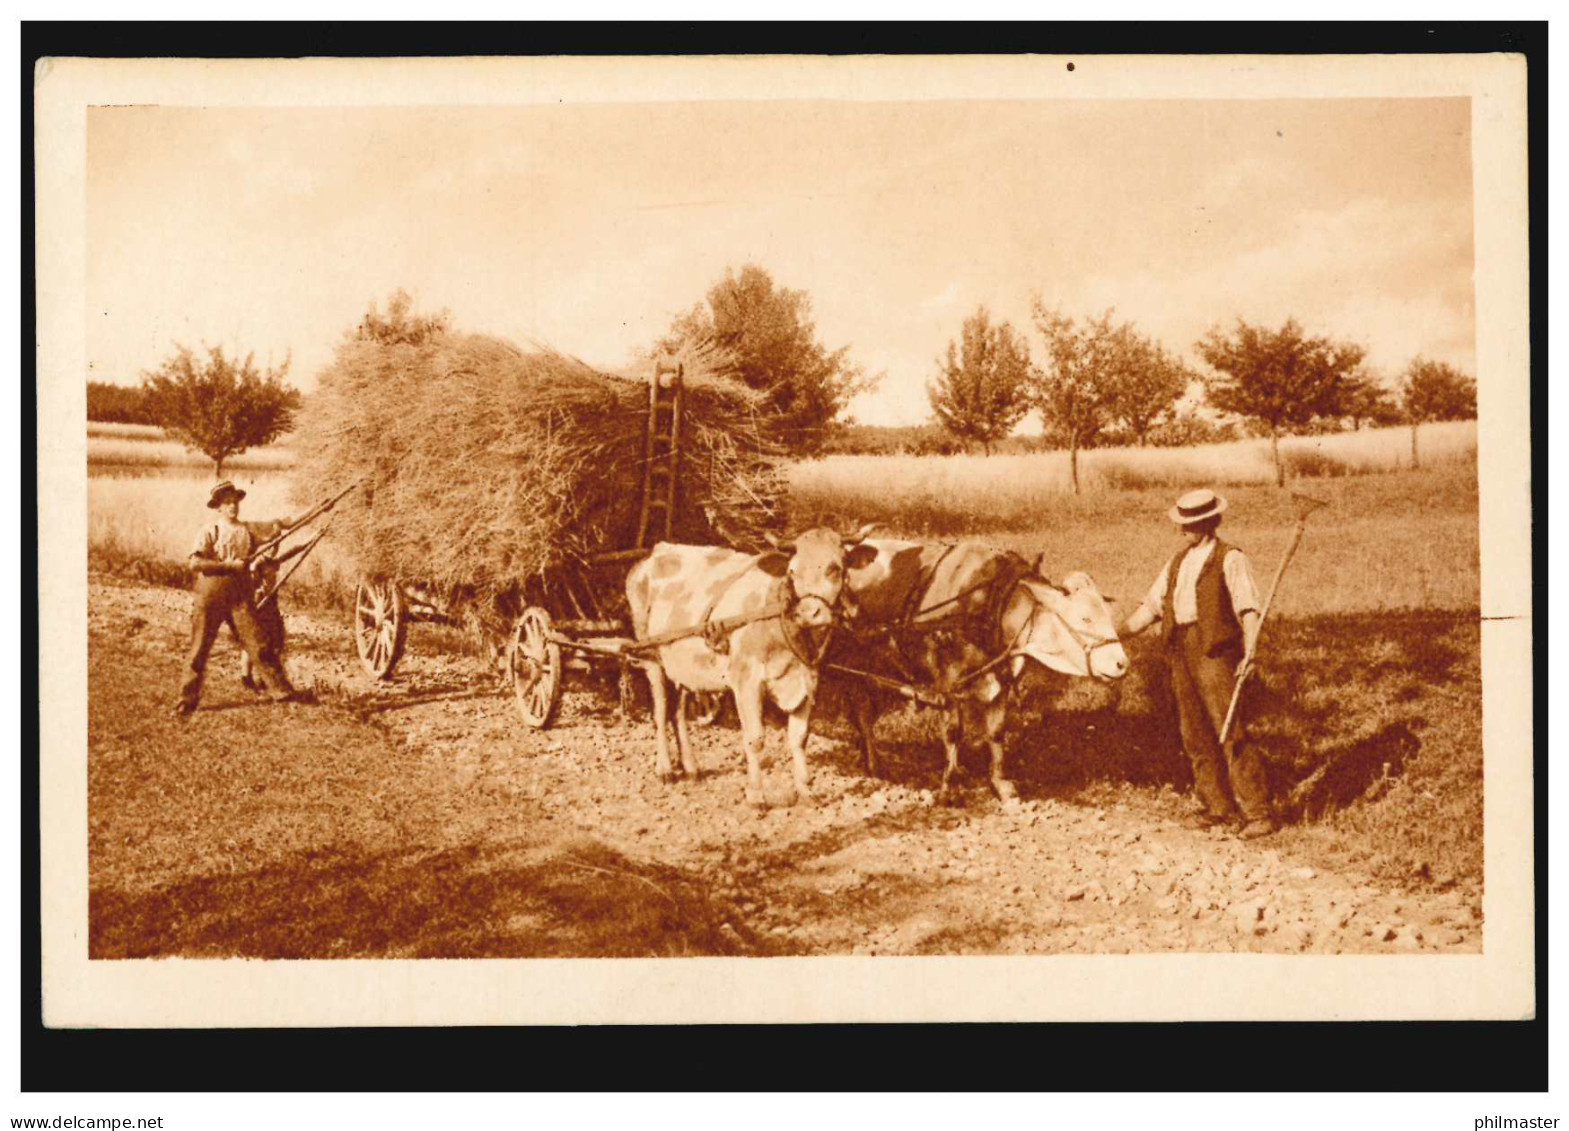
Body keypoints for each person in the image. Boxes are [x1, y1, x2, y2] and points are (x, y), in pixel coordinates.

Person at [1118, 488, 1275, 839]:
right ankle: (1217, 807)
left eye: (1188, 524)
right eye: (1181, 524)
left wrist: (1251, 652)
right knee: (1194, 733)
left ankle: (1258, 812)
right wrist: (1116, 635)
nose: (1182, 530)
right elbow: (1151, 609)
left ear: (1208, 523)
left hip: (1215, 652)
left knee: (1228, 728)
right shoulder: (1177, 562)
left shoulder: (1231, 558)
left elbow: (1249, 610)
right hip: (1181, 651)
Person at [173, 481, 295, 716]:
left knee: (258, 643)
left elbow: (284, 523)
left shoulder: (248, 529)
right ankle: (186, 700)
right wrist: (228, 565)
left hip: (240, 594)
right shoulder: (210, 531)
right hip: (211, 594)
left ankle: (283, 692)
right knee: (199, 648)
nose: (233, 506)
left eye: (235, 501)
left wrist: (321, 508)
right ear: (218, 507)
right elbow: (195, 563)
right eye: (227, 502)